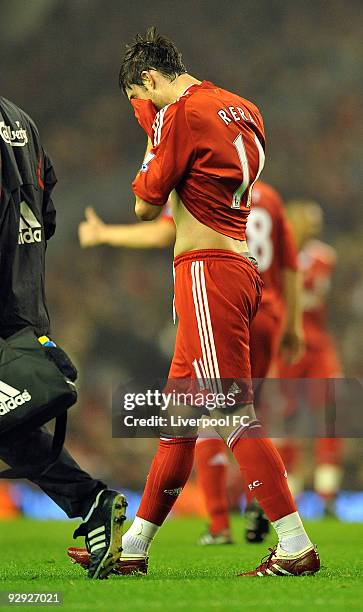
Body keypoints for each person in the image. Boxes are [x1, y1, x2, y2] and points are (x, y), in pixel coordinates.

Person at [72, 26, 319, 577]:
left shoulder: (175, 112)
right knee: (178, 418)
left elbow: (143, 206)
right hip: (238, 266)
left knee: (232, 413)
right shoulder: (242, 107)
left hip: (206, 272)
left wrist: (152, 135)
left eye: (137, 101)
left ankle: (295, 544)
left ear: (149, 79)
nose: (140, 111)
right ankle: (134, 546)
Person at [77, 180, 302, 547]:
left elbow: (157, 226)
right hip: (263, 304)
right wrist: (292, 324)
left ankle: (248, 529)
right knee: (186, 415)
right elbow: (290, 265)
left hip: (215, 294)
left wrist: (104, 233)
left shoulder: (202, 183)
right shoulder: (268, 197)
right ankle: (136, 544)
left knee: (228, 414)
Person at [0, 96, 126, 579]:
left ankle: (88, 498)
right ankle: (91, 501)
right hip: (24, 300)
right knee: (10, 427)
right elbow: (46, 214)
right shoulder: (22, 120)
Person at [276, 200, 343, 513]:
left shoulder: (322, 256)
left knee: (331, 410)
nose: (315, 227)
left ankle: (328, 492)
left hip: (316, 345)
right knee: (289, 417)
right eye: (310, 221)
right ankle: (290, 493)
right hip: (288, 346)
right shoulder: (273, 257)